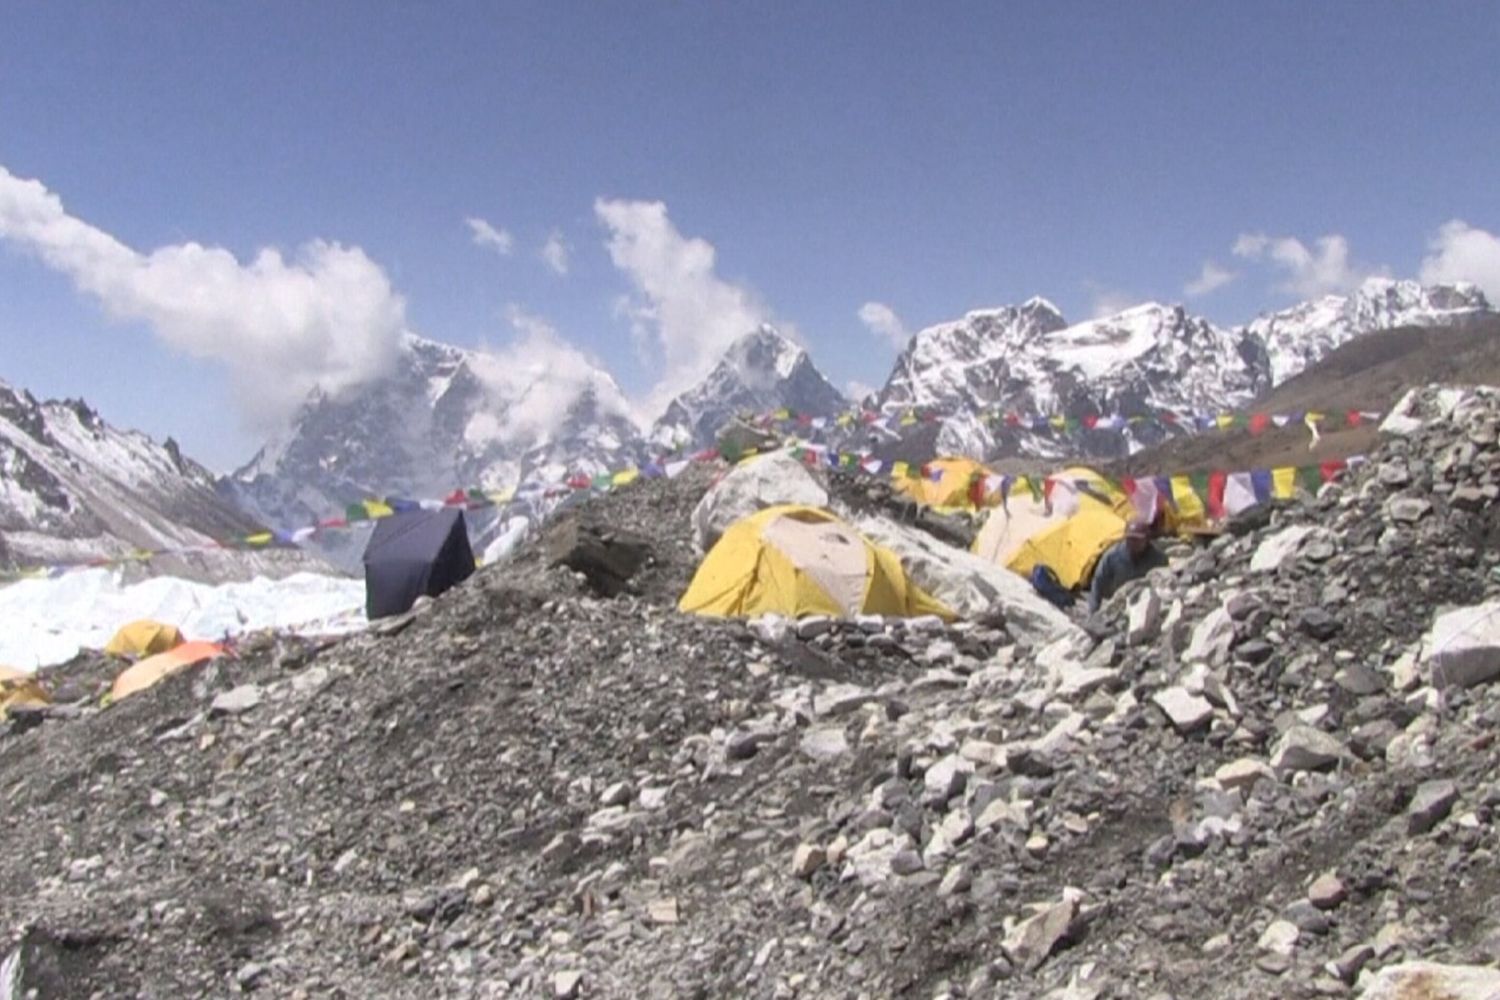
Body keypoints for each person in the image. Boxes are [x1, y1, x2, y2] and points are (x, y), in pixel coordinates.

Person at [1087, 518, 1167, 613]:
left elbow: (1164, 584)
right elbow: (1098, 582)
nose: (1133, 543)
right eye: (1130, 539)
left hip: (1146, 605)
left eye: (1137, 540)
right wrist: (1094, 609)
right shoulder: (1113, 556)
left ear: (1147, 539)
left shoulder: (1158, 558)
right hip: (1119, 606)